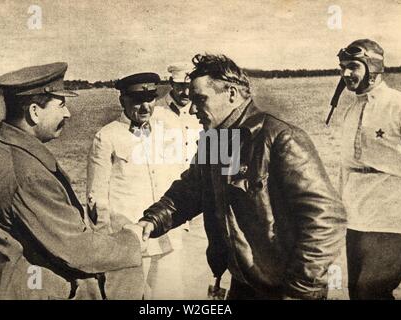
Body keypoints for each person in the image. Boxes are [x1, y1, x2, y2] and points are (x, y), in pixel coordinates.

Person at [138, 54, 347, 300]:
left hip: (285, 289)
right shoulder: (217, 139)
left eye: (201, 99)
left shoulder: (280, 138)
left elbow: (326, 219)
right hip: (244, 283)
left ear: (232, 94)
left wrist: (300, 290)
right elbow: (190, 191)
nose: (193, 110)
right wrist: (152, 220)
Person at [0, 62, 146, 300]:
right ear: (34, 112)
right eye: (61, 104)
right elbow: (77, 249)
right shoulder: (26, 172)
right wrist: (131, 240)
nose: (68, 113)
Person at [86, 72, 186, 299]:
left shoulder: (167, 128)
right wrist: (107, 246)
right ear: (123, 101)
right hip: (128, 242)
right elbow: (96, 197)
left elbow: (179, 176)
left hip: (168, 237)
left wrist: (182, 224)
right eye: (137, 100)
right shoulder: (106, 137)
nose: (145, 107)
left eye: (150, 99)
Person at [332, 39, 401, 299]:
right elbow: (345, 167)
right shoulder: (351, 111)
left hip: (394, 218)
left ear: (373, 67)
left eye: (353, 67)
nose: (346, 74)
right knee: (357, 293)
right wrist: (339, 210)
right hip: (357, 216)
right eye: (342, 68)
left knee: (370, 292)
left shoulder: (400, 106)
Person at [157, 62, 202, 167]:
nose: (186, 92)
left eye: (190, 86)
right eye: (181, 86)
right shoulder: (155, 111)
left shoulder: (203, 112)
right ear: (171, 83)